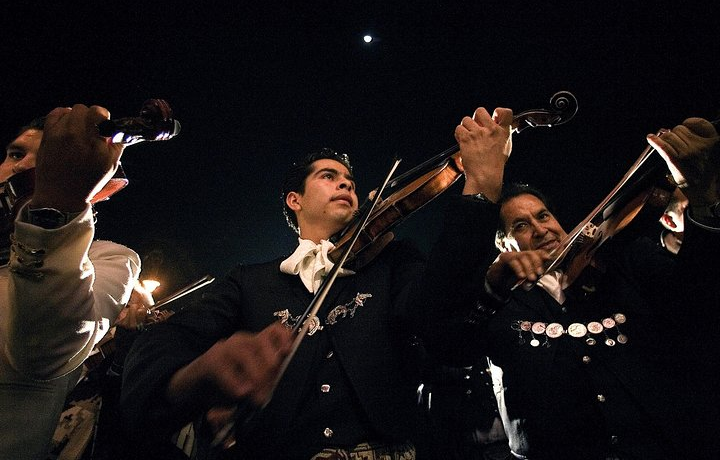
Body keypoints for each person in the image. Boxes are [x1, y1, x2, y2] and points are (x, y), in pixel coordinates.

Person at [120, 107, 514, 459]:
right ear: (295, 200)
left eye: (350, 181)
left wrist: (481, 190)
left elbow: (444, 321)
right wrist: (193, 376)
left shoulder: (394, 264)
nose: (347, 184)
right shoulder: (250, 280)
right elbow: (169, 338)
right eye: (330, 177)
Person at [458, 116, 720, 459]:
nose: (540, 229)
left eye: (544, 216)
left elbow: (699, 298)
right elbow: (453, 342)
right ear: (504, 246)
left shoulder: (620, 263)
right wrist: (491, 290)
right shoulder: (498, 299)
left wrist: (704, 206)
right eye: (521, 225)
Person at [0, 106, 142, 460]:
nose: (19, 166)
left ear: (103, 189)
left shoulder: (110, 259)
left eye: (48, 160)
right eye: (15, 153)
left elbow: (45, 348)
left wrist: (56, 206)